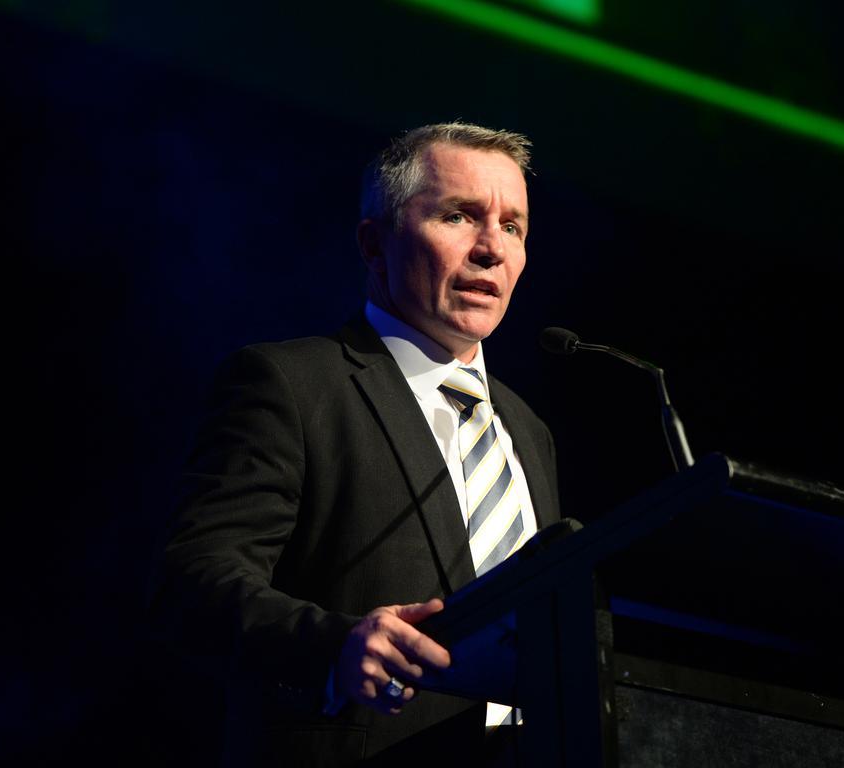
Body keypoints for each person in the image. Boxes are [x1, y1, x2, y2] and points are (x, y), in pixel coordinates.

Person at [153, 122, 562, 766]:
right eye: (459, 216)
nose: (492, 249)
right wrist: (334, 646)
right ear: (375, 245)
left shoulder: (527, 431)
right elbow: (192, 584)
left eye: (513, 226)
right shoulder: (290, 384)